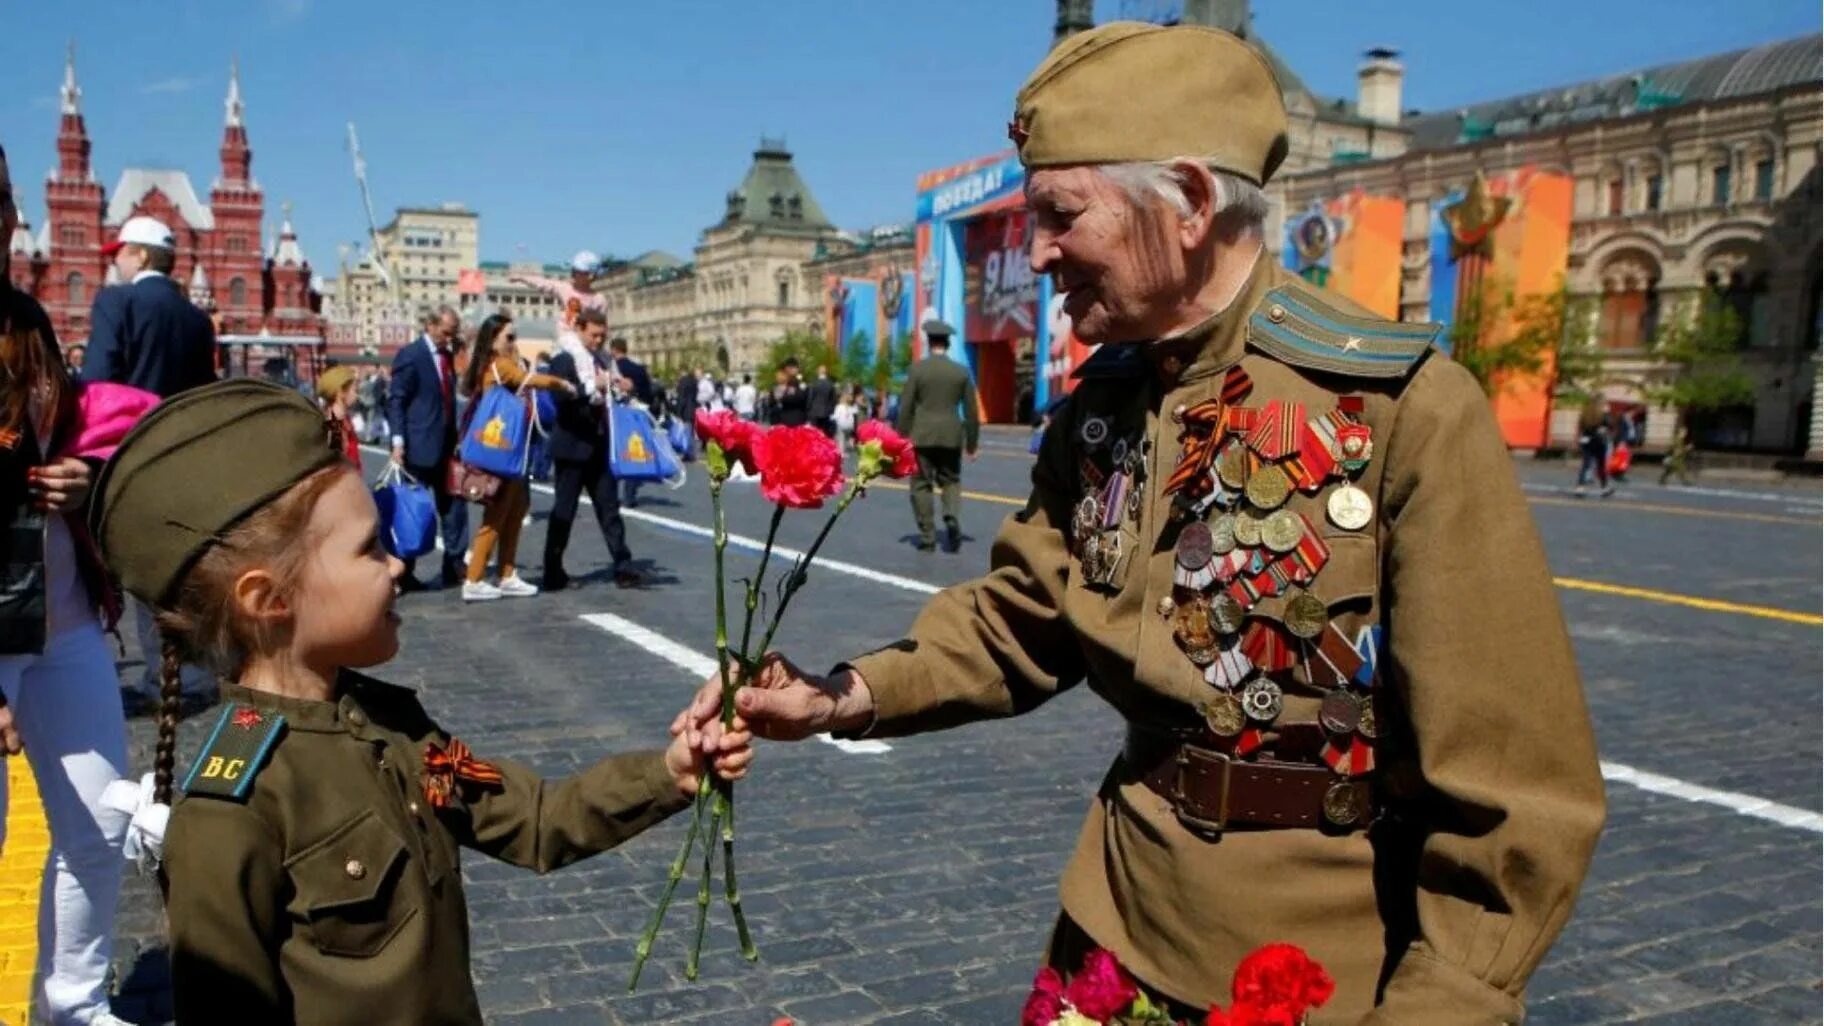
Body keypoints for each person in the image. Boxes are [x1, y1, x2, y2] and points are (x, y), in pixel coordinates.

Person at [684, 22, 1603, 1024]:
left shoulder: (1402, 412)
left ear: (1194, 203)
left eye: (1060, 216)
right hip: (1112, 934)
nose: (1035, 255)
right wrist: (843, 696)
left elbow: (1518, 795)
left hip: (1312, 973)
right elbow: (1025, 616)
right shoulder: (1106, 405)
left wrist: (1447, 1005)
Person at [89, 378, 751, 1026]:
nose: (401, 563)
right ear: (268, 601)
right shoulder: (231, 812)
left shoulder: (394, 727)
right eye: (370, 548)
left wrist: (669, 775)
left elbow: (538, 817)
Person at [0, 142, 133, 1026]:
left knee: (100, 826)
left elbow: (78, 425)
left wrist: (88, 478)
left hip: (62, 618)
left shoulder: (26, 318)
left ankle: (72, 1007)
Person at [86, 214, 220, 709]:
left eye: (119, 253)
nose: (115, 263)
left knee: (144, 571)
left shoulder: (116, 302)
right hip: (187, 456)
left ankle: (165, 681)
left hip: (131, 457)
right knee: (186, 567)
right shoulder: (195, 318)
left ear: (139, 255)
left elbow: (97, 383)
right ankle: (196, 673)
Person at [458, 315, 573, 601]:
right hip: (504, 452)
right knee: (497, 515)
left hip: (508, 450)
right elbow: (527, 379)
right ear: (494, 340)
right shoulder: (499, 364)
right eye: (509, 337)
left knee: (514, 510)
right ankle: (474, 578)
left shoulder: (497, 363)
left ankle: (507, 573)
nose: (514, 342)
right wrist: (560, 383)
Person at [542, 309, 643, 591]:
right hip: (572, 446)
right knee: (564, 511)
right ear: (579, 329)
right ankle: (552, 570)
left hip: (599, 445)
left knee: (610, 509)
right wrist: (590, 387)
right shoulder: (564, 358)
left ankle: (623, 566)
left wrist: (625, 386)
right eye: (593, 335)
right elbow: (559, 395)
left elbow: (625, 390)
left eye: (603, 335)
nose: (599, 341)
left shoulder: (604, 361)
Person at [386, 305, 471, 590]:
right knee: (415, 512)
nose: (449, 338)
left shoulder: (448, 356)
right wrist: (397, 441)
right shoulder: (411, 356)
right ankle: (405, 571)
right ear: (431, 326)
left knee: (455, 508)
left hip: (447, 447)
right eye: (446, 332)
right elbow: (396, 400)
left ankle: (455, 563)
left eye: (453, 333)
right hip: (418, 448)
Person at [897, 319, 980, 552]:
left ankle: (927, 537)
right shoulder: (961, 372)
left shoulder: (917, 369)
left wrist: (900, 438)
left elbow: (906, 407)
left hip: (921, 436)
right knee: (951, 481)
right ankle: (951, 515)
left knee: (921, 485)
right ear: (947, 343)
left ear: (929, 342)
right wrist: (972, 443)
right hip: (951, 436)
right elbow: (972, 412)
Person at [607, 337, 654, 507]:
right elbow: (649, 394)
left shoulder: (611, 368)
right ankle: (630, 494)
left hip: (615, 415)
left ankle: (610, 493)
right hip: (635, 415)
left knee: (614, 452)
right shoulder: (638, 369)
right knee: (634, 453)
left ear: (613, 350)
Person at [315, 365, 361, 465]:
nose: (357, 395)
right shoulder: (333, 424)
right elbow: (336, 465)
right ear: (341, 392)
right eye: (355, 390)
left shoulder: (344, 419)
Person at [1574, 401, 1614, 497]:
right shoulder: (1603, 415)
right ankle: (1604, 488)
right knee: (1601, 466)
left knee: (1586, 465)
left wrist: (1578, 439)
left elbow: (1580, 427)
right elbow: (1610, 425)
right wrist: (1607, 413)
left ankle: (1580, 487)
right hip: (1599, 441)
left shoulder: (1585, 414)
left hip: (1586, 440)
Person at [771, 358, 809, 428]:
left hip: (797, 420)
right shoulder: (780, 385)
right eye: (789, 368)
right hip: (782, 421)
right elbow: (773, 402)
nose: (791, 370)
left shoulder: (800, 383)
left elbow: (803, 399)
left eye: (794, 368)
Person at [807, 363, 838, 438]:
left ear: (818, 372)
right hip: (826, 412)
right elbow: (833, 400)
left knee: (814, 434)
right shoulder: (830, 384)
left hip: (814, 412)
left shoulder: (814, 384)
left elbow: (810, 398)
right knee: (824, 434)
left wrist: (808, 409)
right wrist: (831, 410)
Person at [832, 388, 859, 452]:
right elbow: (855, 414)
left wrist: (832, 418)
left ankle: (842, 451)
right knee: (842, 437)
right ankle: (847, 444)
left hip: (842, 426)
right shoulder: (852, 406)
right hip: (849, 426)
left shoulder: (840, 406)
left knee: (841, 438)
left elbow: (836, 416)